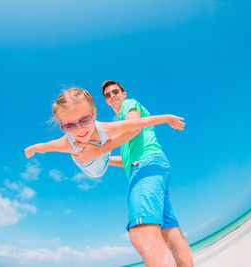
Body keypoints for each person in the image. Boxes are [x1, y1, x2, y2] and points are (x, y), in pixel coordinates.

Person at [73, 81, 193, 267]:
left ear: (124, 93)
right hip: (151, 165)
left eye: (115, 92)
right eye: (108, 95)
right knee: (170, 233)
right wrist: (97, 159)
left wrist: (98, 151)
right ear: (105, 101)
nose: (112, 96)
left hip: (146, 166)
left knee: (142, 231)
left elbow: (134, 128)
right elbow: (125, 160)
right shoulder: (124, 131)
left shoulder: (129, 106)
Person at [24, 88, 185, 178]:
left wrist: (167, 118)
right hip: (89, 166)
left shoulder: (105, 129)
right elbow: (45, 146)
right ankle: (112, 156)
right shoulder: (67, 143)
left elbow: (138, 123)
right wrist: (31, 149)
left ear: (94, 115)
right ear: (61, 126)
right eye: (69, 126)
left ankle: (125, 159)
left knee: (111, 148)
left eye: (85, 120)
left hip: (103, 155)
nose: (79, 130)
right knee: (104, 151)